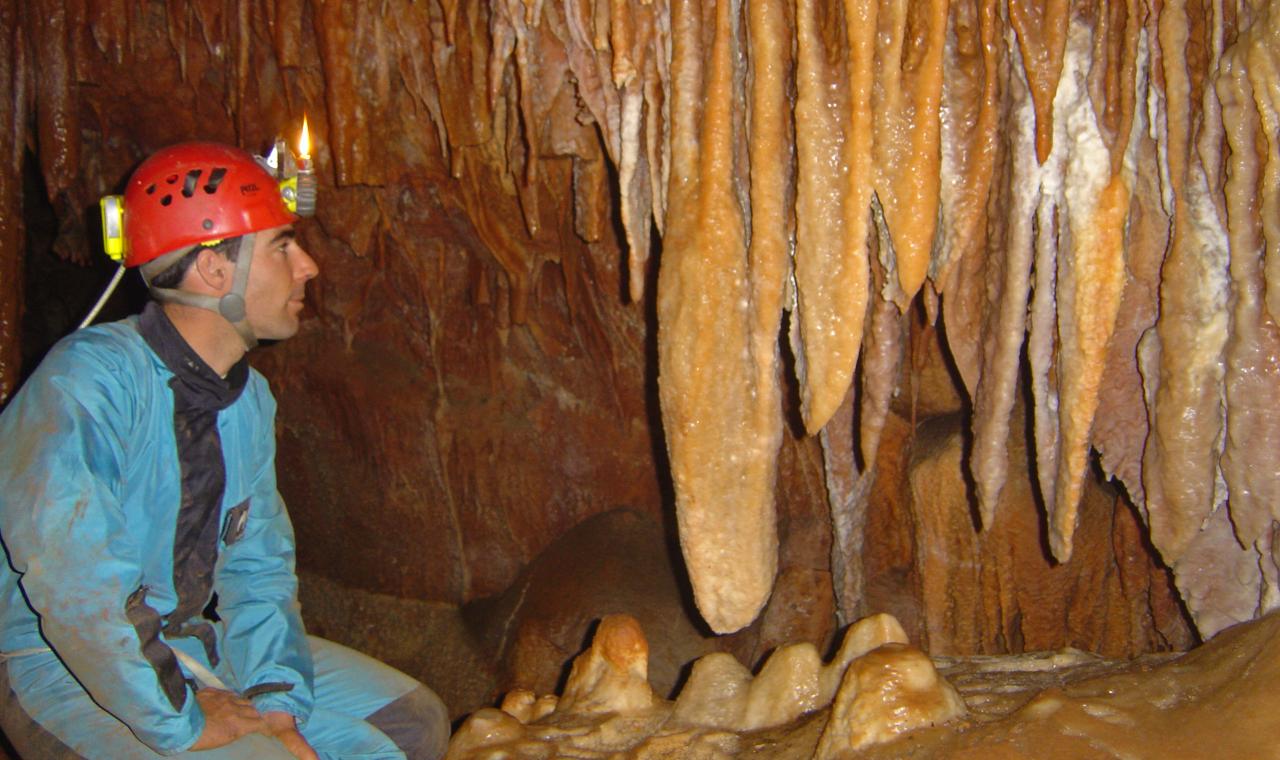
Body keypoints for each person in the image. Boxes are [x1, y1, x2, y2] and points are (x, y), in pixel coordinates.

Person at [0, 142, 450, 758]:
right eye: (283, 246)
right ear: (214, 271)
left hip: (186, 638)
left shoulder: (246, 399)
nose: (309, 266)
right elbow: (78, 591)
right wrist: (181, 715)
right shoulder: (87, 383)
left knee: (412, 723)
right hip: (54, 659)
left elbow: (256, 566)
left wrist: (276, 700)